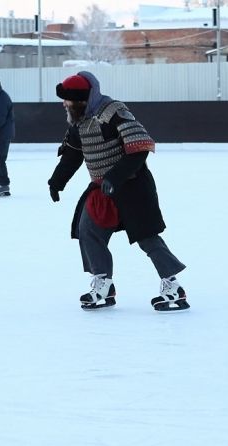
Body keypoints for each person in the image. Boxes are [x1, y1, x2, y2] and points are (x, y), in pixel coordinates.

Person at [47, 71, 189, 312]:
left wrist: (115, 176)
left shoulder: (113, 112)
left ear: (81, 99)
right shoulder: (79, 122)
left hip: (132, 185)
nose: (64, 104)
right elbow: (72, 155)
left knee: (147, 237)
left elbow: (140, 147)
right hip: (101, 189)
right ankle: (103, 285)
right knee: (88, 231)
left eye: (67, 100)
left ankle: (173, 286)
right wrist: (56, 181)